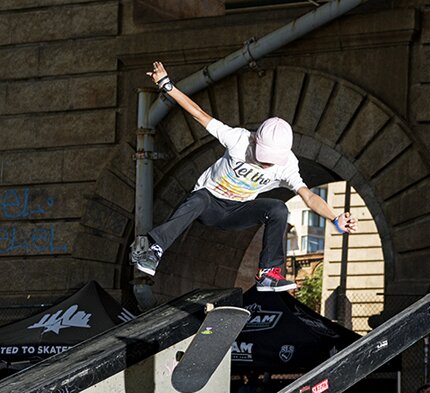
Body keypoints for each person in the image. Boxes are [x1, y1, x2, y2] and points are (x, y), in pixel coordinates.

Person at [129, 61, 358, 291]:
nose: (265, 163)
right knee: (199, 198)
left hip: (237, 211)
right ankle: (153, 249)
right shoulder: (239, 140)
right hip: (208, 204)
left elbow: (308, 196)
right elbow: (199, 114)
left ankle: (268, 273)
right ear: (256, 140)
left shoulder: (288, 164)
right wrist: (167, 86)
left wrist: (334, 217)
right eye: (263, 156)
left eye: (270, 160)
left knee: (278, 208)